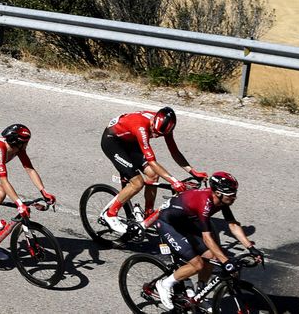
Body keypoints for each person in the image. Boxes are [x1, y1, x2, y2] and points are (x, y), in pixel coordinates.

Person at [152, 172, 258, 310]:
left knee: (212, 257)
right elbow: (207, 238)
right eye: (231, 194)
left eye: (235, 193)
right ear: (218, 193)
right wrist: (225, 262)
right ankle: (164, 284)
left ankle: (199, 293)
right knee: (198, 264)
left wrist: (251, 248)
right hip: (168, 224)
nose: (234, 197)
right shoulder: (205, 202)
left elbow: (233, 225)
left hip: (186, 223)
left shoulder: (221, 200)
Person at [98, 106, 207, 235]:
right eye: (154, 132)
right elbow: (152, 161)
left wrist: (192, 172)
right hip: (113, 142)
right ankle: (110, 214)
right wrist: (174, 181)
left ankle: (148, 214)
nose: (155, 135)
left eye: (159, 135)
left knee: (153, 174)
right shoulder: (141, 127)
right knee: (137, 182)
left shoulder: (164, 127)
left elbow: (175, 152)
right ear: (153, 122)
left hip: (130, 141)